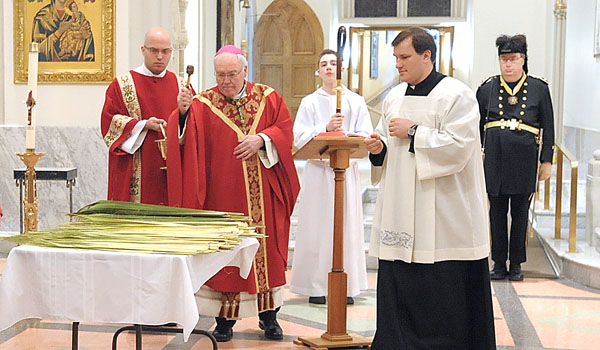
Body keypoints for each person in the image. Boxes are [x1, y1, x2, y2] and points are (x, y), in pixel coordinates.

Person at [365, 27, 496, 349]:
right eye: (395, 58)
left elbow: (460, 148)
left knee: (441, 287)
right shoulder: (394, 96)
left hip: (443, 208)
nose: (398, 64)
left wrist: (414, 132)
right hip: (400, 205)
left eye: (404, 57)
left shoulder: (456, 94)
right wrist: (377, 148)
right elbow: (386, 137)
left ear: (427, 56)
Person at [166, 45, 300, 342]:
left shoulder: (268, 98)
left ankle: (270, 317)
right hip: (222, 196)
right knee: (227, 256)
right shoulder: (204, 103)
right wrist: (184, 112)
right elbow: (186, 143)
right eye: (220, 75)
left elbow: (285, 130)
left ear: (245, 71)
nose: (225, 81)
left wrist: (263, 139)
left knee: (266, 254)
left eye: (231, 74)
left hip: (263, 196)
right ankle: (224, 320)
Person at [290, 49, 371, 305]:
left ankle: (346, 285)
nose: (328, 68)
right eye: (323, 64)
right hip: (318, 174)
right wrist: (325, 129)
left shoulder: (356, 102)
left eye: (333, 63)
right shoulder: (309, 102)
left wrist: (345, 136)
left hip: (344, 173)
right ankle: (316, 285)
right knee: (317, 226)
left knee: (345, 226)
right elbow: (299, 136)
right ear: (317, 71)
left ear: (341, 70)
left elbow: (365, 135)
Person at [477, 34, 554, 282]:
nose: (508, 64)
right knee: (496, 213)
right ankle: (499, 263)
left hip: (524, 158)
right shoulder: (487, 88)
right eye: (503, 59)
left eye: (513, 59)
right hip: (495, 158)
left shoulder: (539, 89)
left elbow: (548, 126)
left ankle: (517, 263)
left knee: (520, 212)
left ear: (523, 60)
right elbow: (477, 127)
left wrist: (547, 160)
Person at [101, 27, 186, 205]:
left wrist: (185, 113)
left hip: (171, 170)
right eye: (154, 51)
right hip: (136, 167)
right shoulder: (124, 84)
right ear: (143, 50)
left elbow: (194, 128)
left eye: (166, 51)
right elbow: (109, 122)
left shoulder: (181, 86)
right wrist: (143, 125)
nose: (160, 57)